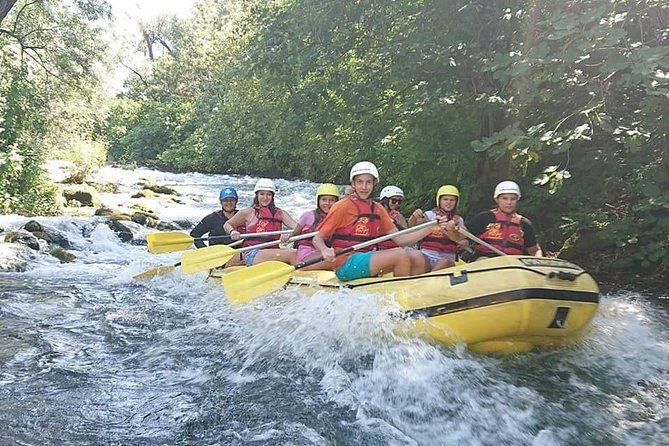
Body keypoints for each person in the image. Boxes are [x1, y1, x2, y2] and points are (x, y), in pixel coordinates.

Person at [312, 161, 452, 281]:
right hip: (345, 264)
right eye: (359, 182)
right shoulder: (341, 206)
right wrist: (324, 250)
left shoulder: (378, 209)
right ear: (353, 184)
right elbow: (317, 238)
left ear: (375, 184)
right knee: (400, 255)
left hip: (365, 257)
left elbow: (401, 240)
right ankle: (401, 298)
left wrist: (430, 228)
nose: (364, 187)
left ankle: (418, 292)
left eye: (368, 182)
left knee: (416, 256)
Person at [223, 178, 299, 266]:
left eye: (268, 194)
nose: (265, 198)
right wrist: (233, 231)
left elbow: (298, 228)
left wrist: (290, 234)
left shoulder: (281, 213)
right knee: (293, 253)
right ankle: (300, 276)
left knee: (297, 253)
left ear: (272, 196)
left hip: (272, 250)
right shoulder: (248, 212)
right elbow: (227, 224)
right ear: (257, 195)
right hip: (253, 252)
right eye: (262, 194)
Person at [465, 181, 543, 259]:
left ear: (517, 200)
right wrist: (452, 229)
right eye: (504, 198)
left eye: (513, 199)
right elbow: (459, 236)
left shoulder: (524, 224)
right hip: (485, 259)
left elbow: (535, 250)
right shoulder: (484, 217)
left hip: (512, 263)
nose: (509, 202)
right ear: (497, 199)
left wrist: (539, 262)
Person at [409, 185, 469, 270]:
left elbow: (462, 237)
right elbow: (412, 226)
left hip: (448, 258)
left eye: (452, 200)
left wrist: (464, 242)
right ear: (439, 200)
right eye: (445, 199)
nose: (448, 202)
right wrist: (414, 217)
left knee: (444, 262)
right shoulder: (430, 215)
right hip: (427, 255)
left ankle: (429, 281)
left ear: (456, 202)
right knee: (417, 256)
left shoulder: (459, 220)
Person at [290, 183, 340, 270]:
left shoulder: (340, 218)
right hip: (306, 255)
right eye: (324, 199)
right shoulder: (307, 216)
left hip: (326, 253)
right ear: (318, 201)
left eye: (331, 200)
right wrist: (287, 236)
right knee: (340, 257)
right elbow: (295, 234)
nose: (327, 203)